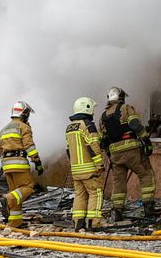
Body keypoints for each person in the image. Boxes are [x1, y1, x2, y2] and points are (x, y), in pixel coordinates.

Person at [101, 88, 158, 220]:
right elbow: (135, 124)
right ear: (121, 98)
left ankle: (117, 212)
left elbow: (103, 140)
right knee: (146, 175)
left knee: (119, 182)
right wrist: (146, 140)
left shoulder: (103, 116)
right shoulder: (126, 108)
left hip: (115, 155)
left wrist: (110, 155)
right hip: (131, 151)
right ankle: (148, 208)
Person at [0, 100, 45, 229]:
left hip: (6, 165)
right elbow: (29, 146)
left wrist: (5, 164)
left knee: (16, 193)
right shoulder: (23, 127)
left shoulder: (3, 130)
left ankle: (15, 222)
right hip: (19, 163)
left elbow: (0, 150)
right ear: (24, 113)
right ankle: (7, 199)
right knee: (28, 187)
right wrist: (38, 162)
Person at [66, 97, 106, 231]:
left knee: (80, 195)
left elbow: (68, 150)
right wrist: (99, 164)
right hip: (90, 169)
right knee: (96, 193)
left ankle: (78, 224)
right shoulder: (88, 124)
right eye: (92, 109)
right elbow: (93, 146)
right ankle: (93, 224)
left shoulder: (70, 128)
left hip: (76, 170)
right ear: (87, 108)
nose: (94, 112)